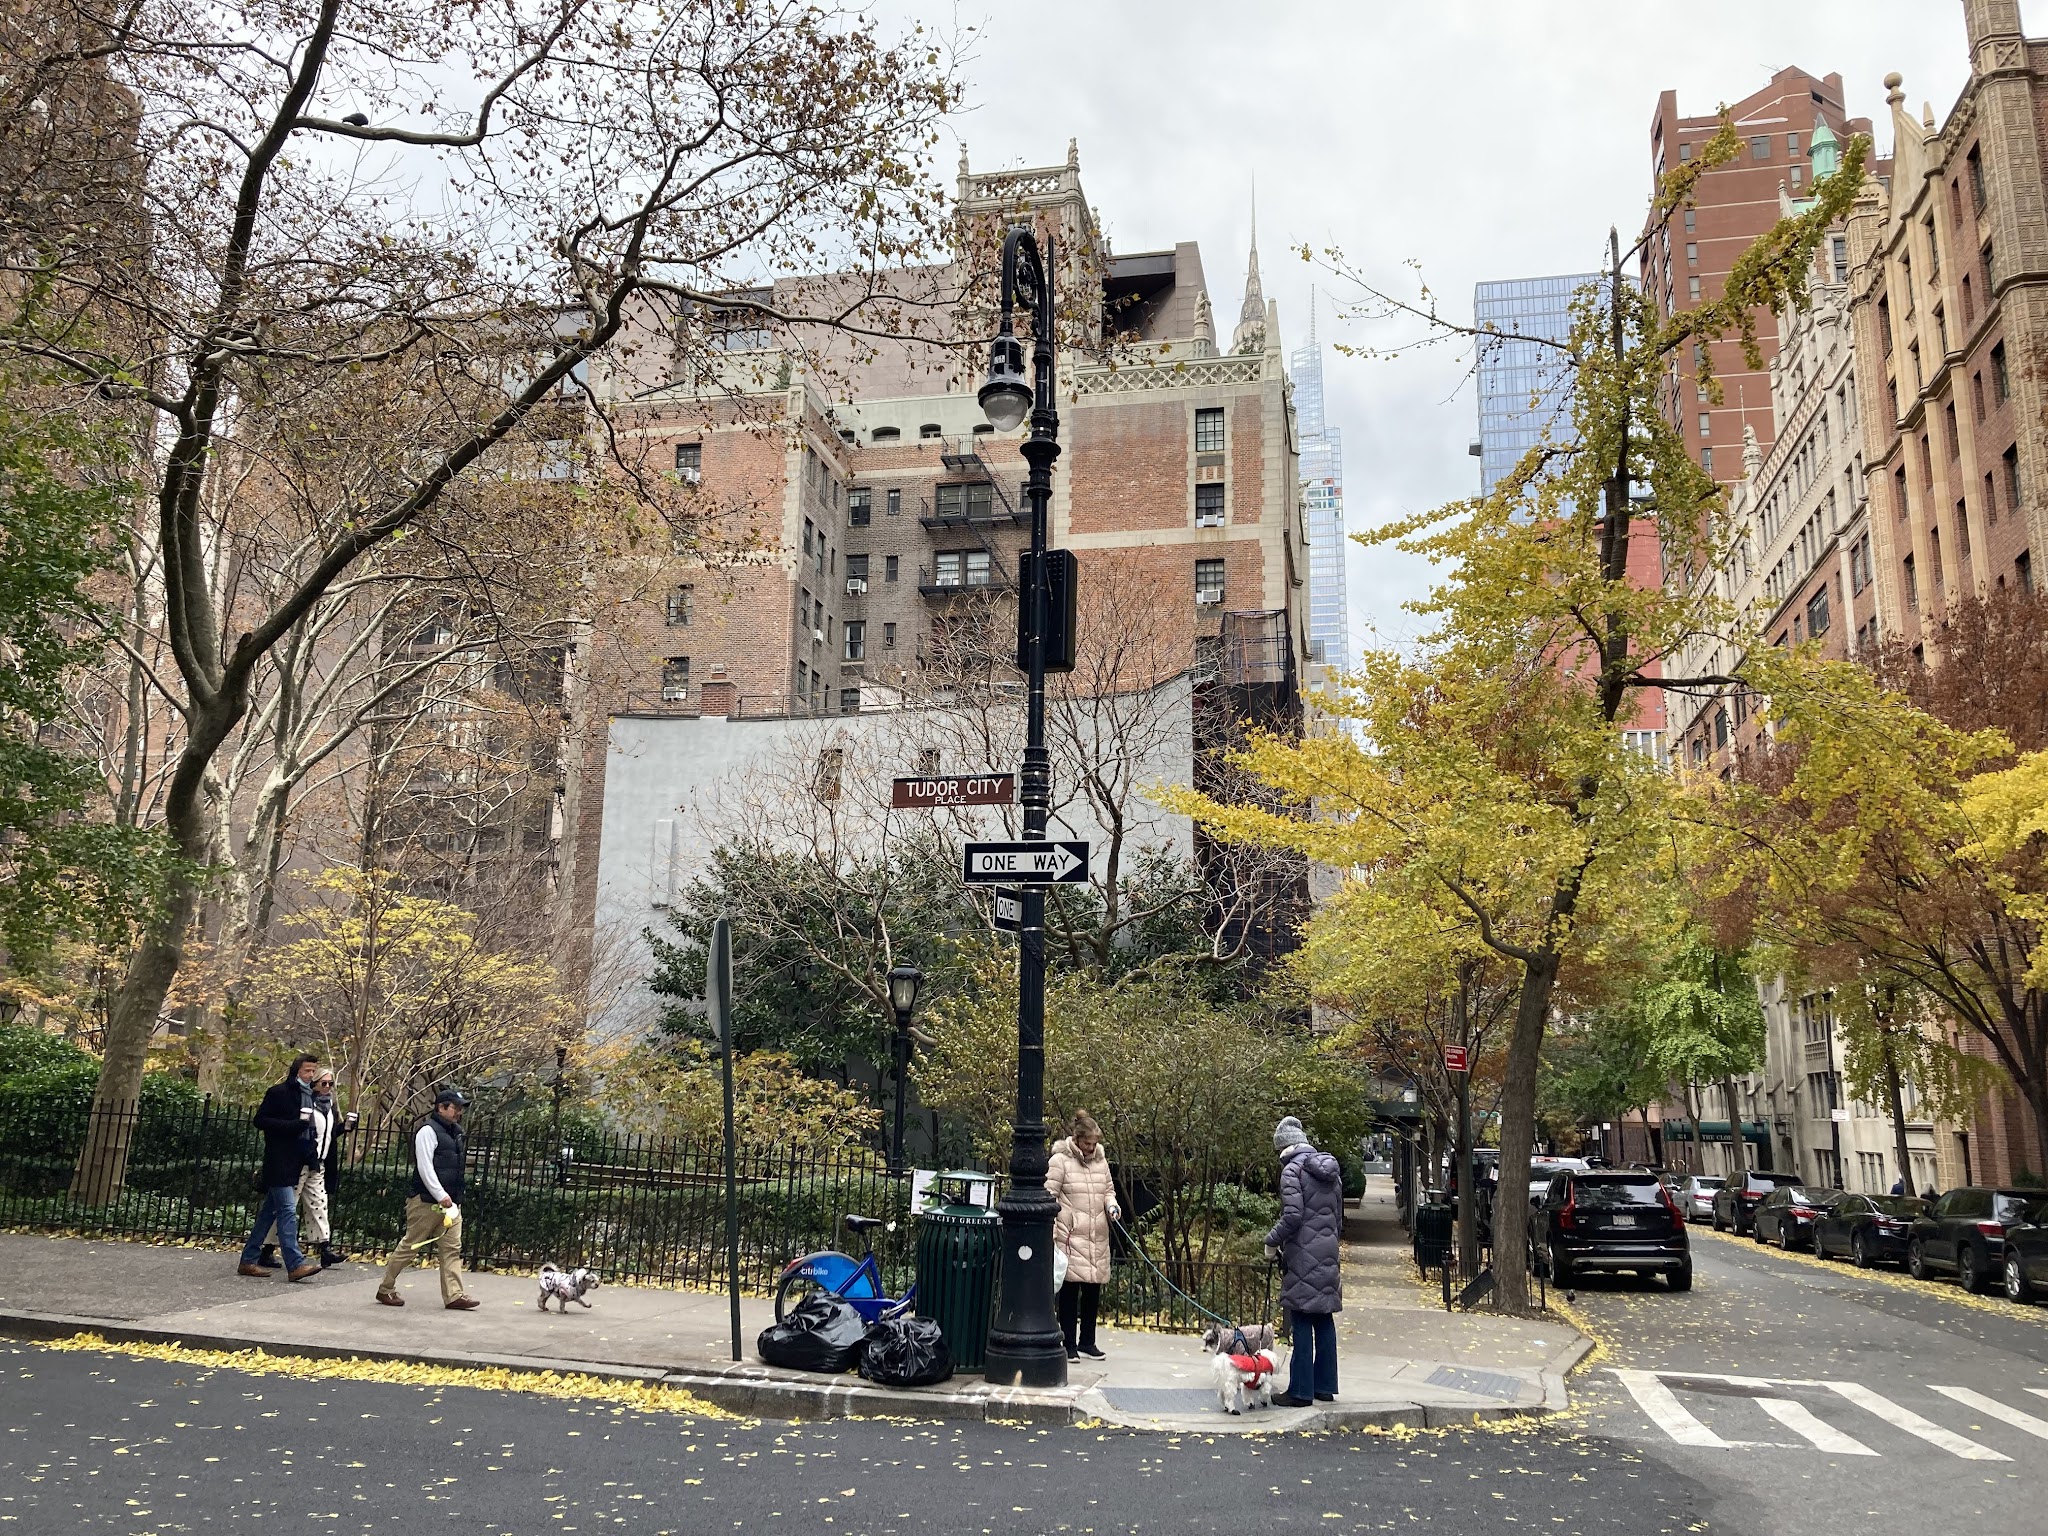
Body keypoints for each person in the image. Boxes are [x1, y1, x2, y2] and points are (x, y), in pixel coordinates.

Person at [376, 1087, 479, 1310]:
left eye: (460, 1108)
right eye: (455, 1108)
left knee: (452, 1248)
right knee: (411, 1246)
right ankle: (386, 1288)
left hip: (450, 1203)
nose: (459, 1112)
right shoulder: (427, 1131)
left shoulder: (455, 1132)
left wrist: (452, 1198)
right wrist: (440, 1194)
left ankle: (454, 1295)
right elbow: (425, 1167)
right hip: (426, 1201)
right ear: (441, 1107)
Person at [1265, 1115, 1342, 1407]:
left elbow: (1293, 1216)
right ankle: (1324, 1386)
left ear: (1284, 1147)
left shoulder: (1291, 1172)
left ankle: (1300, 1390)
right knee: (1323, 1317)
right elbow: (1337, 1218)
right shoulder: (1331, 1171)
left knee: (1299, 1316)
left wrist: (1271, 1240)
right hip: (1328, 1252)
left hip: (1302, 1253)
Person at [237, 1053, 324, 1281]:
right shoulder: (279, 1093)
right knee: (287, 1211)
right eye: (307, 1070)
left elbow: (309, 1131)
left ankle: (248, 1260)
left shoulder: (310, 1096)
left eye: (313, 1071)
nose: (311, 1075)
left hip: (296, 1160)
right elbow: (260, 1120)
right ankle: (295, 1264)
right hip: (278, 1159)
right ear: (297, 1071)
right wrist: (292, 1126)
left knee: (269, 1214)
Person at [1047, 1110, 1118, 1362]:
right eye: (1087, 1143)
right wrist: (1054, 1230)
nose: (1091, 1147)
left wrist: (1112, 1206)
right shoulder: (1060, 1161)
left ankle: (1088, 1341)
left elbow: (1108, 1190)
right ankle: (1068, 1344)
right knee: (1069, 1289)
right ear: (1076, 1139)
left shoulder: (1101, 1161)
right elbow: (1050, 1195)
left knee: (1092, 1290)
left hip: (1096, 1233)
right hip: (1070, 1234)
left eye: (1094, 1143)